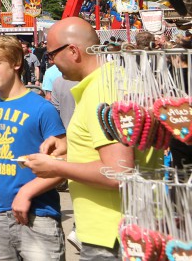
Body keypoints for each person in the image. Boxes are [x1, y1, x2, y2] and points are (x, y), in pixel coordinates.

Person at [25, 18, 149, 261]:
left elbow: (118, 171)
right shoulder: (109, 82)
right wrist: (67, 148)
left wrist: (55, 166)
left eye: (51, 54)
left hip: (112, 236)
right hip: (113, 231)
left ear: (73, 51)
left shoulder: (103, 90)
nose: (50, 61)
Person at [0, 36, 66, 261]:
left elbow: (63, 162)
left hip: (38, 213)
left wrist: (28, 192)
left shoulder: (42, 108)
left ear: (15, 62)